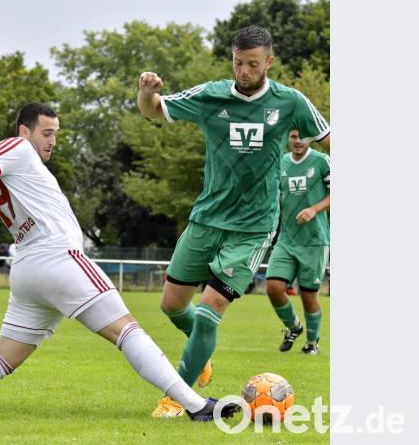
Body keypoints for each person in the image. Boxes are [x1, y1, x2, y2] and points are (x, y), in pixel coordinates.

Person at [0, 103, 239, 421]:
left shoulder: (1, 181)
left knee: (1, 359)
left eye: (56, 134)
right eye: (47, 133)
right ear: (24, 132)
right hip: (58, 258)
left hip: (27, 272)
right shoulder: (19, 149)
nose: (53, 141)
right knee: (127, 330)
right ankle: (195, 405)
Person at [136, 24, 330, 417]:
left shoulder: (290, 102)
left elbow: (329, 139)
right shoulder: (211, 95)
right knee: (172, 306)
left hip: (254, 227)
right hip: (206, 218)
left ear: (269, 62)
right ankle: (199, 354)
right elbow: (154, 110)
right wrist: (145, 91)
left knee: (209, 310)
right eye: (239, 63)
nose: (244, 71)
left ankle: (178, 398)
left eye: (253, 64)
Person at [266, 129, 330, 355]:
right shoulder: (281, 162)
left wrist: (314, 209)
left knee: (308, 294)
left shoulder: (322, 161)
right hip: (286, 239)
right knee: (273, 287)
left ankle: (312, 344)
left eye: (303, 137)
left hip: (315, 240)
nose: (298, 141)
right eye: (293, 137)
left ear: (311, 139)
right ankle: (294, 326)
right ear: (288, 139)